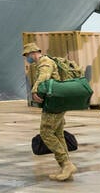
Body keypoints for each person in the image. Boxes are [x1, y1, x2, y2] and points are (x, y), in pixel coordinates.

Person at [25, 42, 76, 181]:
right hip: (57, 102)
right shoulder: (47, 60)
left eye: (27, 55)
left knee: (46, 132)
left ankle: (66, 163)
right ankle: (65, 166)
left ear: (33, 53)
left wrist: (35, 89)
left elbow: (44, 77)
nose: (26, 58)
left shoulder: (45, 62)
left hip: (54, 103)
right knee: (58, 133)